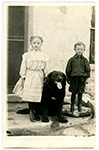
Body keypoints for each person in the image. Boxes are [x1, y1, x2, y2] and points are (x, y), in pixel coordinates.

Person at [13, 36, 49, 122]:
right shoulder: (27, 55)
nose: (36, 45)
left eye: (38, 43)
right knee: (30, 94)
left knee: (38, 94)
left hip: (39, 75)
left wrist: (45, 76)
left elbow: (46, 67)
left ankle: (36, 112)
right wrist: (23, 76)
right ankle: (31, 111)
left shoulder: (44, 56)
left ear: (41, 44)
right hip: (30, 75)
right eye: (34, 43)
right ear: (31, 44)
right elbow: (23, 66)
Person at [65, 42, 91, 113]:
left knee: (80, 92)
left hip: (82, 80)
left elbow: (88, 70)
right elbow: (68, 70)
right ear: (75, 49)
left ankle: (79, 104)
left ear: (84, 50)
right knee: (73, 93)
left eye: (81, 49)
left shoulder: (85, 60)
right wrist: (68, 79)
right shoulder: (72, 60)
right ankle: (72, 105)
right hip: (74, 79)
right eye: (78, 49)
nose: (80, 50)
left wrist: (87, 78)